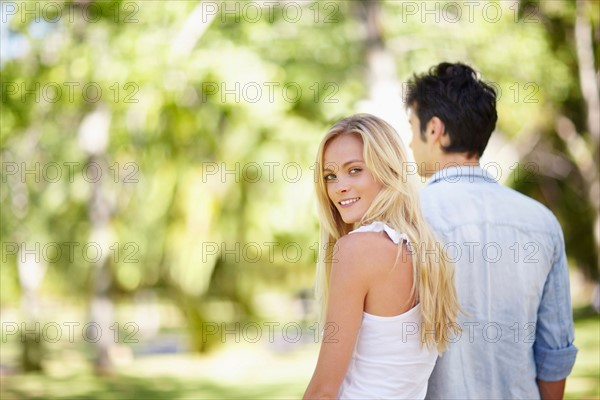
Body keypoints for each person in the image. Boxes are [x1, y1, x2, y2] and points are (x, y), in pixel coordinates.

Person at [404, 62, 578, 399]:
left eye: (412, 128)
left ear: (435, 130)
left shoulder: (407, 220)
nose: (410, 144)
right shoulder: (542, 222)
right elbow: (555, 351)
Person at [303, 114, 460, 399]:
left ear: (387, 170)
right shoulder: (427, 252)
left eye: (354, 170)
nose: (339, 187)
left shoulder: (356, 250)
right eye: (330, 176)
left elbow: (323, 391)